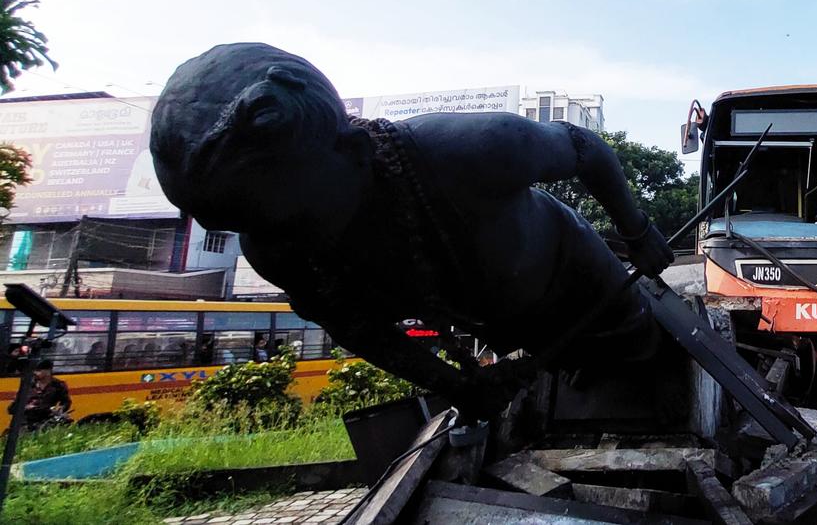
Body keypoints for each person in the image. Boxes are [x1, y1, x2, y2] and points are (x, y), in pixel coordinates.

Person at [149, 43, 675, 421]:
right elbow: (356, 327)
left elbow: (585, 149)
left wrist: (637, 230)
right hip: (506, 325)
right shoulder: (275, 247)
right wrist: (457, 384)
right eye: (252, 225)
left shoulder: (477, 147)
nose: (287, 240)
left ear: (353, 153)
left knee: (642, 358)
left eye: (297, 217)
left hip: (579, 276)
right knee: (569, 378)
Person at [7, 360, 71, 430]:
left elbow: (66, 402)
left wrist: (60, 409)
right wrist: (26, 407)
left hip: (44, 423)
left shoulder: (58, 385)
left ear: (48, 371)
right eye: (34, 370)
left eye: (38, 370)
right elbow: (12, 408)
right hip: (24, 423)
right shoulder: (27, 385)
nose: (35, 373)